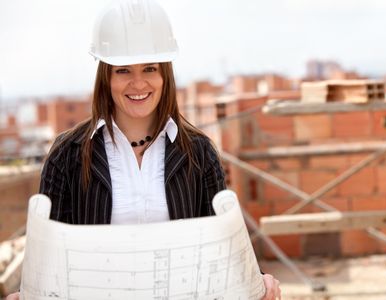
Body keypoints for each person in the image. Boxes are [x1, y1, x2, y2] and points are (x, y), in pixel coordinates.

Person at [7, 0, 281, 299]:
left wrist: (259, 279)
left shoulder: (198, 152)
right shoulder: (69, 154)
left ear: (165, 76)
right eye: (123, 70)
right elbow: (47, 255)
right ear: (107, 78)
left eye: (149, 68)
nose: (138, 83)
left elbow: (226, 238)